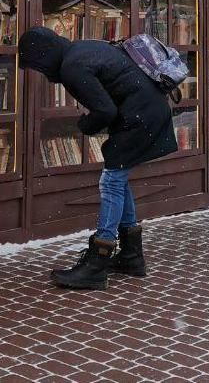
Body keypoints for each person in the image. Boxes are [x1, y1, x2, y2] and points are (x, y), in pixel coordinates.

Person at [18, 26, 177, 290]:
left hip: (139, 118)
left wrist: (85, 125)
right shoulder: (82, 48)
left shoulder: (72, 66)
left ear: (43, 57)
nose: (42, 73)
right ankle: (131, 256)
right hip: (148, 112)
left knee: (111, 181)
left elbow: (105, 110)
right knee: (118, 178)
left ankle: (97, 263)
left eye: (37, 66)